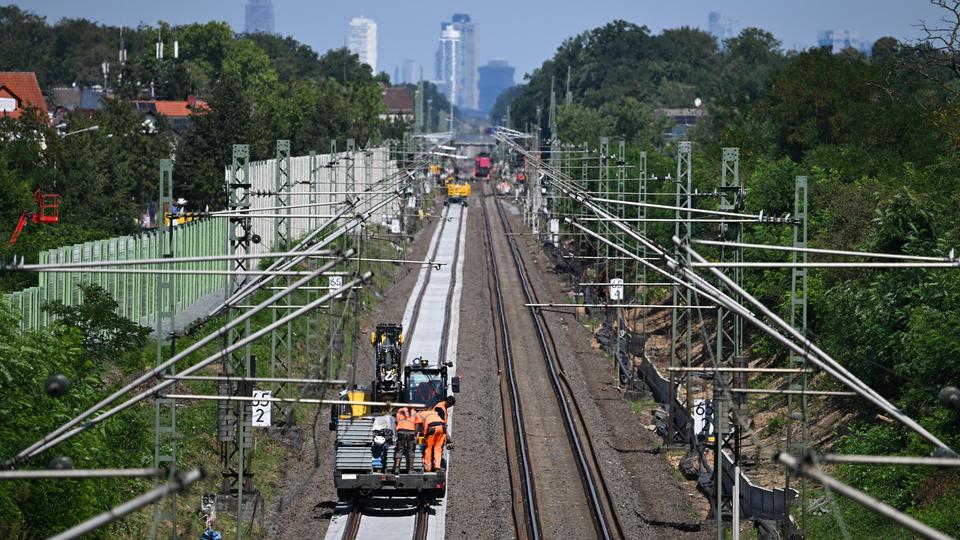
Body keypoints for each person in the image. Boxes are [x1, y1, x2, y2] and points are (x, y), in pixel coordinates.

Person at [417, 407, 447, 472]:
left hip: (432, 428)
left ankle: (427, 468)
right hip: (442, 427)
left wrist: (423, 436)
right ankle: (437, 467)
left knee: (428, 448)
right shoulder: (434, 413)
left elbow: (419, 428)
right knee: (438, 448)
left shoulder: (419, 414)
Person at [392, 406, 417, 474]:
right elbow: (417, 424)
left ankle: (397, 468)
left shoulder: (400, 410)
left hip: (401, 431)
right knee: (411, 450)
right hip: (411, 432)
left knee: (399, 450)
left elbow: (396, 421)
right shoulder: (414, 412)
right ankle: (411, 469)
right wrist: (416, 434)